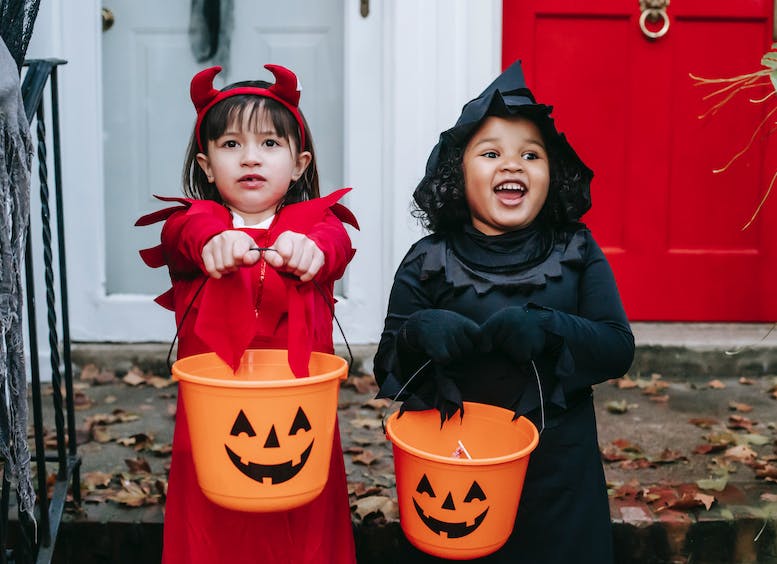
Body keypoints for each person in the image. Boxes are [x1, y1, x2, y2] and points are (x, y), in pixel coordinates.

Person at [373, 59, 635, 563]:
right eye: (491, 153)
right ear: (458, 173)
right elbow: (388, 368)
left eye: (530, 155)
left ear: (550, 174)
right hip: (453, 477)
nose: (512, 165)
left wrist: (550, 327)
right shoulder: (429, 260)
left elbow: (617, 348)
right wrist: (416, 336)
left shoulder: (575, 250)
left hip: (558, 473)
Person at [136, 64, 358, 564]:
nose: (250, 157)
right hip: (219, 420)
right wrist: (213, 242)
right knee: (215, 532)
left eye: (270, 145)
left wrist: (313, 253)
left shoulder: (316, 228)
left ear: (299, 163)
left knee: (303, 532)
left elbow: (336, 245)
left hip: (297, 418)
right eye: (231, 145)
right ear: (207, 165)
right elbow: (181, 239)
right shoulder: (194, 224)